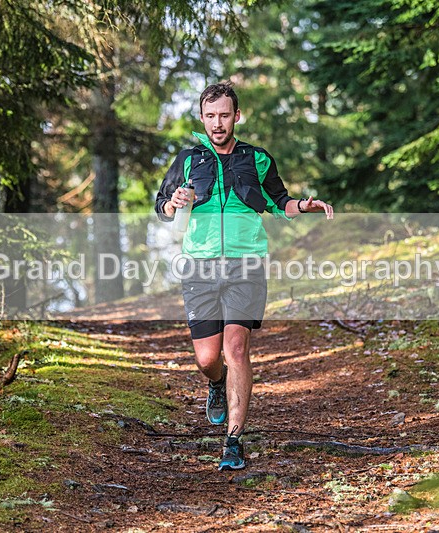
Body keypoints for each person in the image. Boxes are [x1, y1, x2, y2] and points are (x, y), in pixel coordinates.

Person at [155, 81, 333, 470]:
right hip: (199, 266)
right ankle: (216, 383)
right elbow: (162, 206)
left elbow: (278, 200)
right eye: (210, 116)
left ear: (237, 116)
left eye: (224, 115)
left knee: (236, 349)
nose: (218, 123)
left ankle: (233, 441)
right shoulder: (188, 160)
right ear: (202, 119)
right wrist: (173, 203)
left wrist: (305, 204)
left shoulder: (257, 158)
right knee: (207, 358)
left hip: (246, 264)